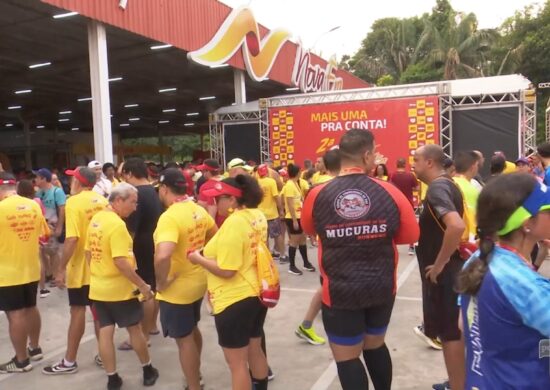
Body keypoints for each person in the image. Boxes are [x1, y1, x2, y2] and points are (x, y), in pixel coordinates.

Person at [301, 129, 418, 389]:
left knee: (347, 358)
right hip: (381, 285)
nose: (376, 158)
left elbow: (309, 230)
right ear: (366, 155)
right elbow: (410, 234)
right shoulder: (389, 191)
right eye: (375, 153)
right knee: (375, 345)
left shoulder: (317, 194)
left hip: (339, 290)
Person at [456, 173, 550, 388]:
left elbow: (463, 324)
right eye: (548, 210)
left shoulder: (478, 258)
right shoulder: (528, 287)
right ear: (527, 223)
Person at [188, 175, 270, 390]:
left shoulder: (234, 223)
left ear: (232, 200)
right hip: (256, 293)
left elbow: (227, 270)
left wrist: (198, 259)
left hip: (234, 299)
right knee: (255, 348)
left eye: (218, 199)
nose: (215, 203)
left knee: (237, 364)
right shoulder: (257, 215)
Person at [86, 183, 159, 390]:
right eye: (132, 202)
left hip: (99, 289)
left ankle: (112, 378)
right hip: (119, 290)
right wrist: (143, 285)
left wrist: (97, 273)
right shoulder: (117, 226)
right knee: (134, 330)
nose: (135, 207)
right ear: (118, 200)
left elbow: (88, 253)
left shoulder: (96, 220)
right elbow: (121, 262)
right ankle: (147, 370)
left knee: (105, 332)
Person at [154, 169, 217, 390]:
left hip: (177, 289)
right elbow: (214, 232)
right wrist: (201, 254)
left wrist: (161, 282)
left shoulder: (169, 217)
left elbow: (163, 255)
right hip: (197, 282)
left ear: (164, 189)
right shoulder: (196, 209)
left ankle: (193, 384)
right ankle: (195, 374)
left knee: (184, 339)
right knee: (191, 328)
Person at [42, 167, 108, 375]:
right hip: (99, 266)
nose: (70, 182)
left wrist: (60, 269)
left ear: (78, 182)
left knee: (77, 311)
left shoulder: (73, 203)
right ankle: (105, 355)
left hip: (81, 269)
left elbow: (72, 239)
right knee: (100, 314)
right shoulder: (102, 201)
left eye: (72, 178)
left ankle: (69, 361)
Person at [413, 144, 466, 390]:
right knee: (451, 332)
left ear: (430, 162)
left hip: (446, 275)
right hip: (451, 271)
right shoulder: (447, 184)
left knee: (449, 333)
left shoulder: (437, 188)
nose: (413, 165)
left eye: (416, 160)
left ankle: (457, 386)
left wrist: (439, 264)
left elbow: (455, 225)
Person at [0, 172, 47, 373]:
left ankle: (21, 360)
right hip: (31, 267)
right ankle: (35, 348)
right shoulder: (33, 205)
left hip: (8, 271)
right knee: (31, 307)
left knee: (15, 315)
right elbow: (43, 233)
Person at [295, 149, 341, 347]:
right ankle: (308, 324)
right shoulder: (326, 186)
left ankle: (306, 324)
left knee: (326, 286)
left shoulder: (323, 185)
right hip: (333, 248)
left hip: (332, 246)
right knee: (328, 286)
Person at [120, 158, 163, 348]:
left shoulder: (136, 194)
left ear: (130, 173)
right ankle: (152, 326)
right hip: (154, 242)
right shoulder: (153, 190)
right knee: (152, 287)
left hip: (141, 245)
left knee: (144, 289)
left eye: (123, 175)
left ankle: (142, 335)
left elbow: (131, 229)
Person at [17, 179, 49, 297]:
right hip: (36, 234)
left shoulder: (15, 204)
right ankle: (42, 289)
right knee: (39, 261)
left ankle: (24, 286)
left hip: (21, 234)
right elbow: (42, 216)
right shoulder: (37, 201)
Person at [282, 164, 315, 275]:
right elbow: (290, 204)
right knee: (294, 242)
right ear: (297, 173)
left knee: (302, 240)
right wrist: (295, 220)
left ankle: (306, 263)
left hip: (299, 216)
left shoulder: (296, 183)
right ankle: (292, 266)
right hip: (293, 218)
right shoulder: (290, 185)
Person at [35, 167, 66, 287]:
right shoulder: (38, 192)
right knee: (43, 251)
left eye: (37, 177)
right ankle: (48, 272)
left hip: (52, 224)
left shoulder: (56, 192)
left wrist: (59, 227)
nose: (35, 179)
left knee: (53, 251)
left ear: (43, 179)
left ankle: (55, 274)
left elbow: (62, 209)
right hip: (42, 226)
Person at [257, 164, 287, 263]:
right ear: (267, 172)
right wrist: (281, 210)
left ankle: (267, 258)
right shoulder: (271, 182)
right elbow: (276, 197)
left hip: (260, 215)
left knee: (264, 237)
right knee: (278, 235)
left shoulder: (256, 183)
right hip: (272, 214)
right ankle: (282, 256)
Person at [390, 157, 419, 255]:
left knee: (392, 224)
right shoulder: (410, 175)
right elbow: (417, 188)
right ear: (405, 165)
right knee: (410, 224)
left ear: (396, 164)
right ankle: (411, 247)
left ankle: (392, 247)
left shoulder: (392, 175)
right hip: (408, 203)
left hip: (395, 202)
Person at [453, 151, 481, 240]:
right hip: (466, 239)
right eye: (477, 165)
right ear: (473, 167)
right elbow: (474, 218)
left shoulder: (449, 182)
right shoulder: (471, 189)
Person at [196, 159, 224, 226]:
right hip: (228, 224)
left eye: (203, 171)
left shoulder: (205, 187)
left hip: (215, 226)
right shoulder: (227, 182)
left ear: (208, 172)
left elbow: (203, 208)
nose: (202, 173)